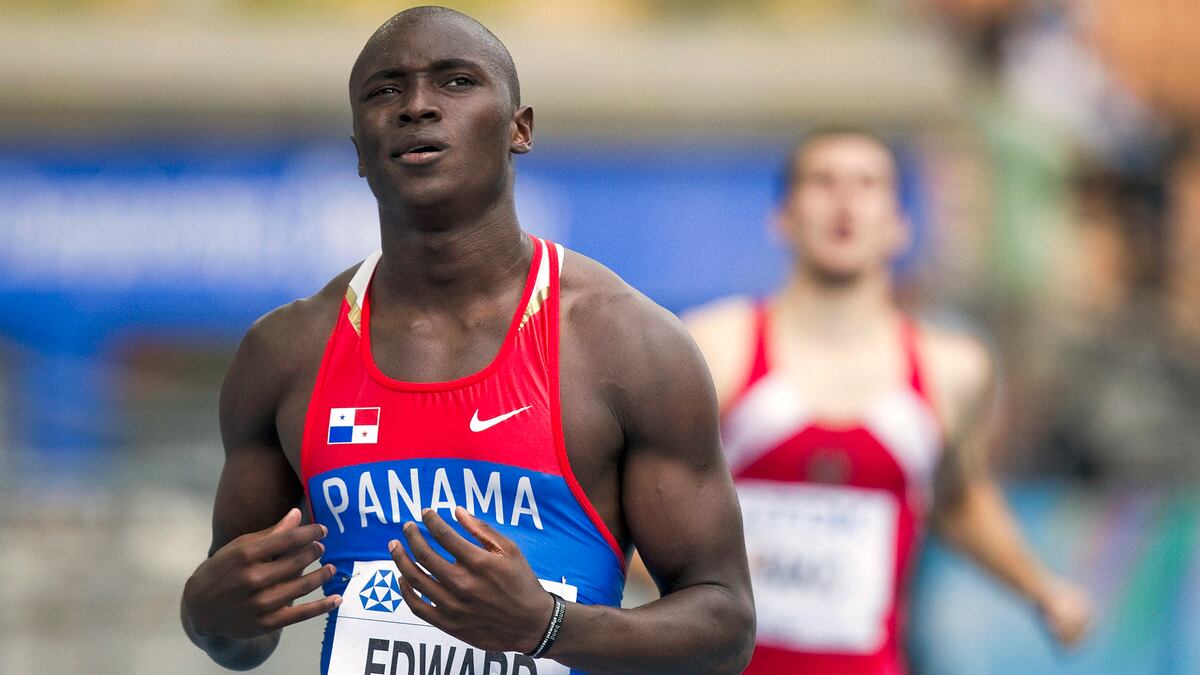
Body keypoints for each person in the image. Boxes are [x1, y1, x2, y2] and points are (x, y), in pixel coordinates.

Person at [179, 7, 754, 674]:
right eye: (386, 90)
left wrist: (546, 626)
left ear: (519, 129)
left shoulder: (628, 345)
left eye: (456, 81)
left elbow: (726, 626)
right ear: (359, 151)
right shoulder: (285, 353)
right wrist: (205, 616)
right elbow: (244, 637)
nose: (417, 106)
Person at [683, 129, 1092, 674]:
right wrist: (704, 572)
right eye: (823, 182)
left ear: (901, 227)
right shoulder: (714, 348)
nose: (845, 202)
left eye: (868, 184)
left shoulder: (953, 369)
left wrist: (1041, 589)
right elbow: (640, 507)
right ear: (782, 218)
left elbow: (957, 498)